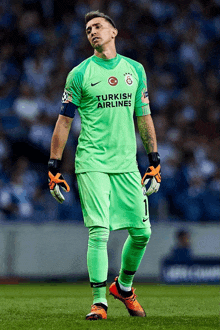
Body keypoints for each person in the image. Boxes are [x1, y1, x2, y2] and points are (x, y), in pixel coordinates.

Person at [48, 11, 161, 320]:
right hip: (92, 162)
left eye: (98, 26)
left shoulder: (135, 70)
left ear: (114, 31)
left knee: (142, 233)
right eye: (87, 29)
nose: (92, 32)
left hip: (126, 164)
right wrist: (54, 166)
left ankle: (123, 288)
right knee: (99, 231)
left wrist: (154, 160)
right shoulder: (80, 74)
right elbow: (64, 122)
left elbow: (144, 116)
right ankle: (99, 301)